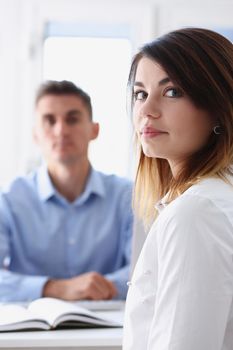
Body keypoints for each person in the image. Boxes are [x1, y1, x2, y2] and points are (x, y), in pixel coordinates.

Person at [123, 28, 233, 350]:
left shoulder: (196, 213)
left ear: (219, 105)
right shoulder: (209, 200)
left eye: (171, 92)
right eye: (140, 94)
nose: (146, 110)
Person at [0, 80, 133, 302]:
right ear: (35, 134)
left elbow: (146, 272)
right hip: (31, 332)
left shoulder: (128, 197)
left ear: (94, 130)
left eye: (72, 119)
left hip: (109, 331)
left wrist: (99, 287)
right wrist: (55, 288)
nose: (61, 130)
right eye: (49, 120)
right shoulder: (9, 200)